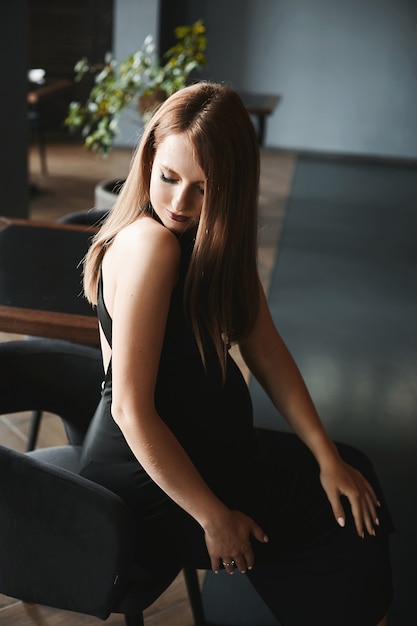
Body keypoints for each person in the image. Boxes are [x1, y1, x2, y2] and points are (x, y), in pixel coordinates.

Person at [79, 82, 393, 625]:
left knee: (349, 468)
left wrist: (324, 454)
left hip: (206, 453)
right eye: (169, 178)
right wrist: (213, 517)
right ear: (149, 158)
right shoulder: (150, 246)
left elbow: (265, 349)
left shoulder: (212, 243)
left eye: (205, 189)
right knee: (335, 520)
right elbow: (130, 409)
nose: (181, 204)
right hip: (153, 479)